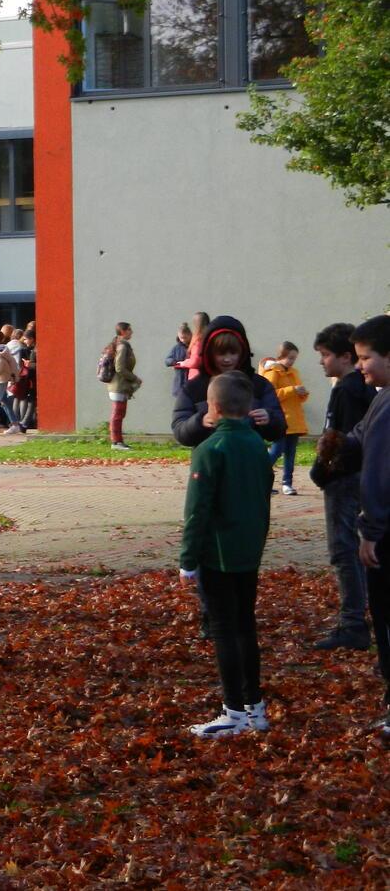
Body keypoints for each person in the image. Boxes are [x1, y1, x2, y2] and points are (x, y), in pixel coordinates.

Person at [179, 371, 273, 738]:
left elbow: (197, 509)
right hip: (249, 548)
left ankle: (233, 709)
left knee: (224, 630)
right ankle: (255, 706)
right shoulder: (257, 445)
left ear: (213, 407)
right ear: (248, 407)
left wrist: (188, 559)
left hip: (217, 552)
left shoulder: (209, 449)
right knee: (245, 626)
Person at [323, 315, 390, 736]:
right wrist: (340, 445)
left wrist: (371, 531)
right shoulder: (381, 398)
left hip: (386, 533)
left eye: (366, 357)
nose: (360, 365)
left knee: (386, 619)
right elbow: (361, 440)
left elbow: (382, 474)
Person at [309, 322, 375, 651]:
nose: (321, 361)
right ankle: (357, 615)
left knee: (343, 550)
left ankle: (353, 621)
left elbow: (342, 440)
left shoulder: (348, 390)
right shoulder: (359, 389)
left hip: (343, 480)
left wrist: (322, 471)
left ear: (345, 356)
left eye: (325, 355)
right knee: (352, 547)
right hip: (353, 477)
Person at [171, 316, 287, 450]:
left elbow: (280, 427)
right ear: (209, 353)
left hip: (249, 462)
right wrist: (199, 422)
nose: (227, 359)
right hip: (209, 463)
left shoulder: (259, 385)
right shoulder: (193, 388)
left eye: (233, 353)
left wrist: (269, 420)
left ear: (242, 352)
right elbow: (179, 430)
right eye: (221, 353)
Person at [260, 342, 309, 496]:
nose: (292, 361)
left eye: (294, 358)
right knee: (276, 450)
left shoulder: (294, 372)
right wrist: (291, 390)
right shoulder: (272, 372)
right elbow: (270, 395)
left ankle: (287, 483)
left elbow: (298, 397)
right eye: (290, 358)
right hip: (280, 419)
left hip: (294, 419)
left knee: (291, 453)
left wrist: (302, 393)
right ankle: (259, 478)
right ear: (280, 357)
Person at [104, 323, 140, 451]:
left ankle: (118, 441)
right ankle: (116, 442)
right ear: (123, 331)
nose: (132, 332)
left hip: (120, 385)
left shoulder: (121, 344)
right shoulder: (123, 346)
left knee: (119, 413)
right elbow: (119, 368)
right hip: (118, 385)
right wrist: (134, 378)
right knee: (117, 414)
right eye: (130, 329)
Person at [175, 311, 211, 382]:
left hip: (196, 378)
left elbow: (195, 361)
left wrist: (183, 363)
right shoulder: (210, 338)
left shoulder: (198, 340)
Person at [166, 323, 192, 399]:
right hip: (179, 382)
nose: (183, 340)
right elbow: (167, 360)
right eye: (181, 338)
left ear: (190, 335)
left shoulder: (194, 346)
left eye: (185, 338)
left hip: (191, 380)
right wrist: (173, 362)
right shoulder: (176, 348)